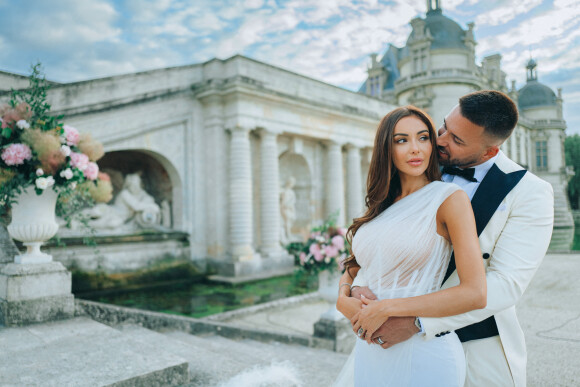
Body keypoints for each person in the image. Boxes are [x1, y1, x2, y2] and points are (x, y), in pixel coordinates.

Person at [343, 90, 554, 387]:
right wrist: (352, 288)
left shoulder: (530, 192)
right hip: (389, 337)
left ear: (489, 151)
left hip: (477, 344)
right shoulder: (415, 169)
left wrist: (418, 323)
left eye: (457, 140)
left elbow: (506, 284)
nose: (439, 141)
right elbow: (375, 245)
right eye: (443, 128)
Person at [335, 105, 487, 386]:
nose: (415, 148)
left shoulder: (449, 199)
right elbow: (354, 266)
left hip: (423, 352)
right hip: (371, 350)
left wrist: (387, 308)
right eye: (401, 140)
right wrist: (344, 296)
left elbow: (475, 293)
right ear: (386, 149)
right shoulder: (380, 205)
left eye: (423, 137)